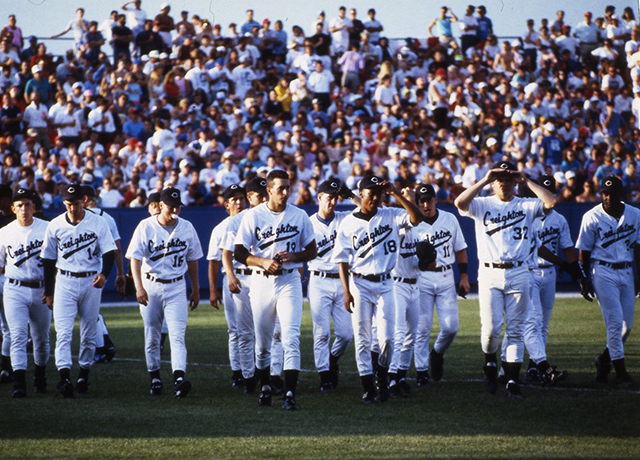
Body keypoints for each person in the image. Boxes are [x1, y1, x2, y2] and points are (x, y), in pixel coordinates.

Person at [454, 161, 557, 399]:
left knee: (516, 330)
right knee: (490, 330)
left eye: (508, 179)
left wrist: (525, 179)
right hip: (490, 272)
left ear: (514, 182)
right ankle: (490, 364)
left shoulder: (526, 204)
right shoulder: (482, 204)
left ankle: (512, 380)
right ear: (494, 182)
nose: (504, 183)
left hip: (520, 271)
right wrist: (485, 179)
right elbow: (460, 203)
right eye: (500, 179)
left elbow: (551, 202)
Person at [332, 176, 423, 404]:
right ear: (360, 194)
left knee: (387, 339)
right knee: (362, 339)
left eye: (377, 193)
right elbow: (342, 260)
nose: (374, 197)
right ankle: (368, 387)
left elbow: (417, 217)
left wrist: (396, 194)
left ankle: (381, 378)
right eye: (370, 193)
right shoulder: (348, 222)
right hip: (360, 283)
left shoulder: (390, 214)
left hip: (386, 283)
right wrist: (346, 291)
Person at [233, 170, 317, 410]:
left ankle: (290, 393)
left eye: (287, 187)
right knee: (262, 343)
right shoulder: (254, 216)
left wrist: (295, 256)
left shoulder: (299, 215)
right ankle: (266, 388)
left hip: (289, 280)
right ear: (268, 190)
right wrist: (261, 261)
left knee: (291, 337)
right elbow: (238, 252)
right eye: (280, 188)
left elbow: (312, 251)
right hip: (261, 281)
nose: (285, 192)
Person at [41, 183, 117, 398]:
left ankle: (83, 373)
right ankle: (64, 377)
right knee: (63, 332)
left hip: (90, 280)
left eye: (75, 203)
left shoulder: (98, 222)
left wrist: (105, 274)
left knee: (89, 332)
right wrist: (49, 291)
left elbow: (109, 251)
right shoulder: (55, 225)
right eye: (68, 204)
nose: (72, 208)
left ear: (83, 200)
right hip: (64, 280)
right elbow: (48, 259)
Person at [126, 187, 202, 397]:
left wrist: (195, 289)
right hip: (151, 285)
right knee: (152, 334)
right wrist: (139, 287)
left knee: (178, 334)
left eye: (178, 206)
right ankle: (155, 377)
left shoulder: (187, 227)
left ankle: (179, 378)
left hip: (177, 285)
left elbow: (193, 259)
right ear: (160, 206)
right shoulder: (146, 226)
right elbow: (134, 258)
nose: (175, 210)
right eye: (170, 206)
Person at [221, 177, 284, 395]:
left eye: (266, 194)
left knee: (275, 331)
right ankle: (249, 377)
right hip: (242, 276)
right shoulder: (237, 220)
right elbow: (227, 253)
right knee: (245, 332)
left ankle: (275, 375)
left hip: (266, 277)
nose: (265, 198)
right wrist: (230, 276)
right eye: (260, 195)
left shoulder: (275, 216)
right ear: (250, 197)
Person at [576, 176, 640, 388]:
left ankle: (603, 360)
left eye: (611, 193)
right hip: (602, 270)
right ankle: (621, 373)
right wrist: (583, 278)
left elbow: (638, 248)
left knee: (626, 327)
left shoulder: (635, 214)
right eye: (604, 193)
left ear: (620, 195)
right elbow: (583, 252)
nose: (607, 197)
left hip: (627, 270)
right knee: (614, 324)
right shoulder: (591, 216)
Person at [522, 176, 582, 384]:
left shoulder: (559, 219)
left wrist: (578, 271)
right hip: (530, 270)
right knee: (535, 320)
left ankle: (533, 367)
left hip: (549, 274)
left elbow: (568, 248)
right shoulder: (528, 215)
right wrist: (564, 264)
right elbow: (539, 248)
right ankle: (540, 366)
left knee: (544, 324)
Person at [409, 183, 469, 389]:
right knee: (422, 328)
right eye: (421, 201)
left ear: (435, 199)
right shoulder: (412, 223)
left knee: (451, 328)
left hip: (445, 276)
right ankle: (421, 371)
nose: (426, 204)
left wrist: (464, 277)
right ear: (417, 203)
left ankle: (436, 353)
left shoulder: (449, 218)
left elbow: (460, 249)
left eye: (429, 200)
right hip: (422, 277)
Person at [307, 180, 359, 392]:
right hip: (318, 280)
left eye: (335, 197)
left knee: (346, 334)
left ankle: (332, 358)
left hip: (342, 281)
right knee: (321, 333)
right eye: (328, 197)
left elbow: (365, 208)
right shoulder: (308, 222)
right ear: (319, 197)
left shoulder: (344, 218)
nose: (332, 202)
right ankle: (325, 375)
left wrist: (349, 194)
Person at [0, 189, 50, 397]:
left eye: (27, 204)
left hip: (41, 288)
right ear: (12, 209)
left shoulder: (47, 229)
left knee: (41, 339)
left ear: (34, 207)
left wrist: (52, 290)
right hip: (14, 288)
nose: (24, 209)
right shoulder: (4, 232)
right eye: (19, 205)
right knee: (18, 335)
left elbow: (54, 263)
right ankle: (19, 382)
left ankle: (40, 376)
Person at [207, 184, 246, 388]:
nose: (239, 202)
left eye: (241, 198)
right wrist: (212, 290)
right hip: (231, 279)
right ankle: (237, 371)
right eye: (234, 199)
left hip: (253, 277)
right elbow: (214, 261)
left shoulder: (252, 221)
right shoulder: (220, 229)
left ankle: (254, 368)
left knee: (256, 327)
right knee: (234, 328)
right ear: (227, 204)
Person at [82, 186, 126, 363]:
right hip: (103, 269)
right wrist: (120, 273)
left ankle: (101, 347)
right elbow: (118, 250)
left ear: (84, 199)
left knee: (89, 313)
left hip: (87, 269)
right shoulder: (108, 218)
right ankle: (105, 343)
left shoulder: (80, 218)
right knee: (93, 311)